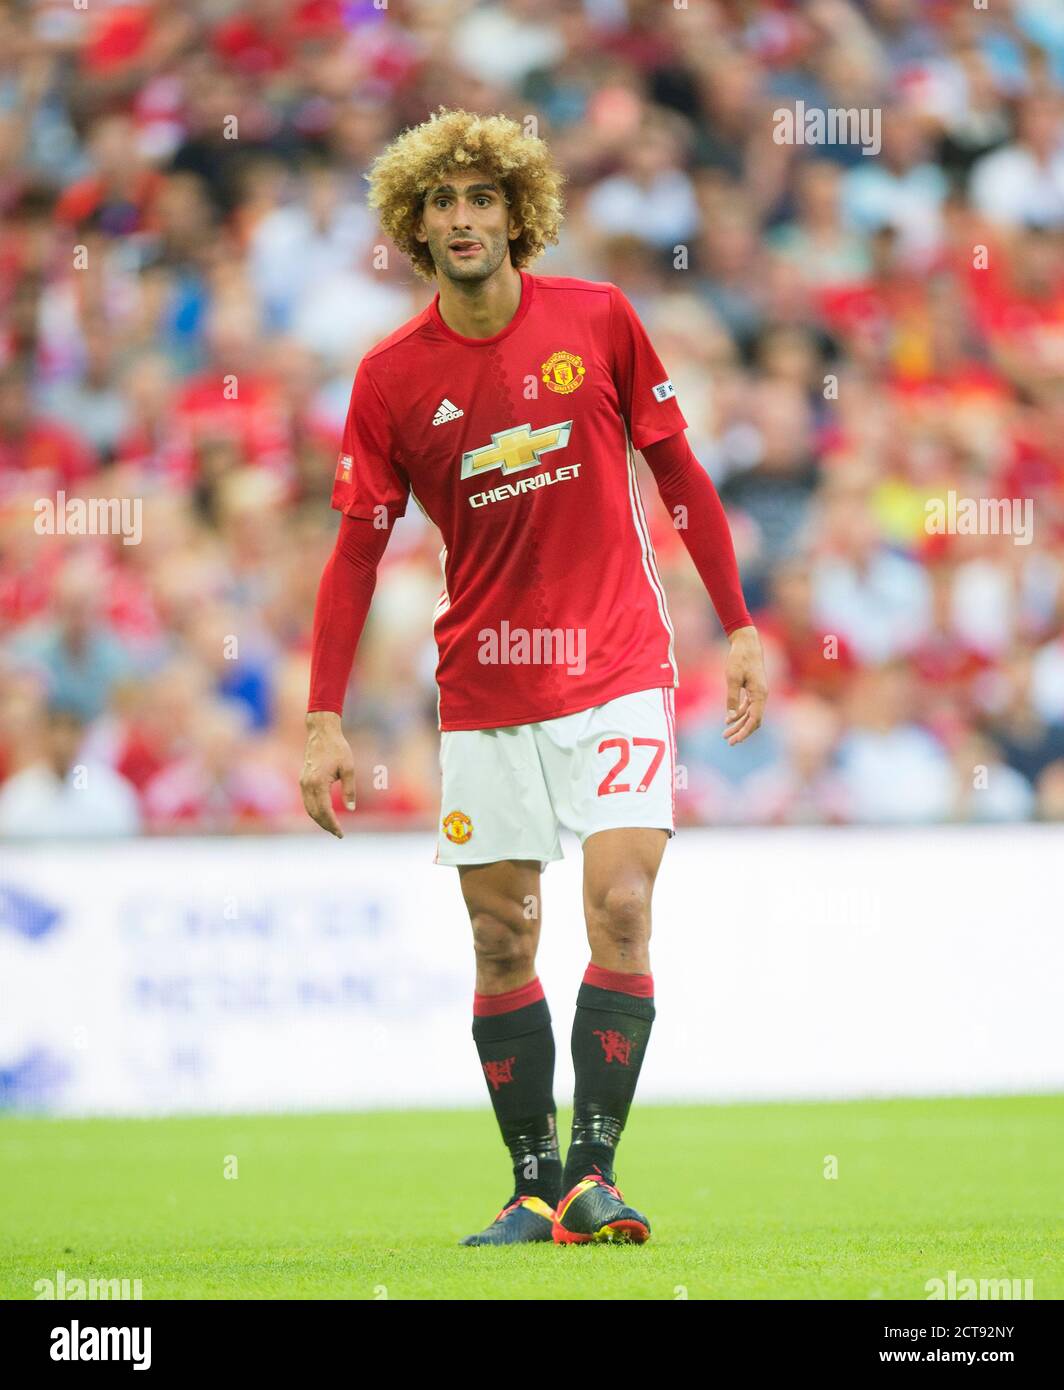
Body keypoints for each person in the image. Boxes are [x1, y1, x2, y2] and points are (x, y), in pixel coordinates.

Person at [300, 108, 767, 1246]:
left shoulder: (599, 319)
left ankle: (593, 1177)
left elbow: (677, 473)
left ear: (517, 213)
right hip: (486, 687)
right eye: (440, 204)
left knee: (618, 901)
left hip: (615, 662)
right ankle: (531, 1183)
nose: (462, 219)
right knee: (502, 939)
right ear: (414, 229)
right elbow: (356, 550)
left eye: (480, 198)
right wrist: (321, 714)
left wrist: (739, 624)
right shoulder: (389, 378)